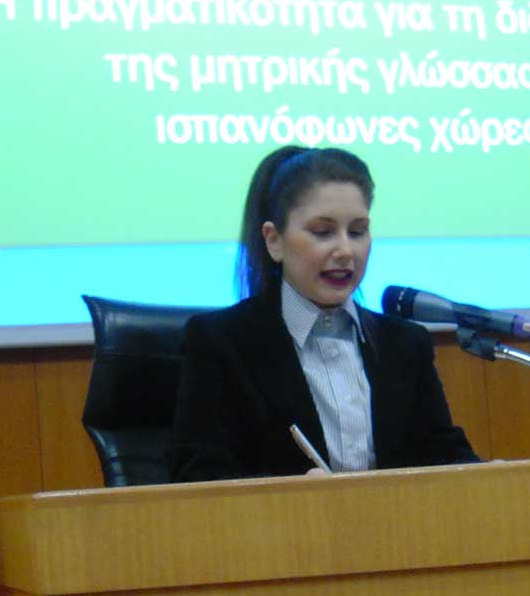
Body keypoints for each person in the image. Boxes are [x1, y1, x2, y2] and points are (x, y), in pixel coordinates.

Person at [168, 145, 478, 481]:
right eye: (322, 232)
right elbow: (199, 473)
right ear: (274, 240)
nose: (345, 251)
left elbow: (443, 454)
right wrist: (292, 497)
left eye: (357, 231)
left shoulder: (405, 343)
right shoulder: (221, 342)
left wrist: (487, 476)